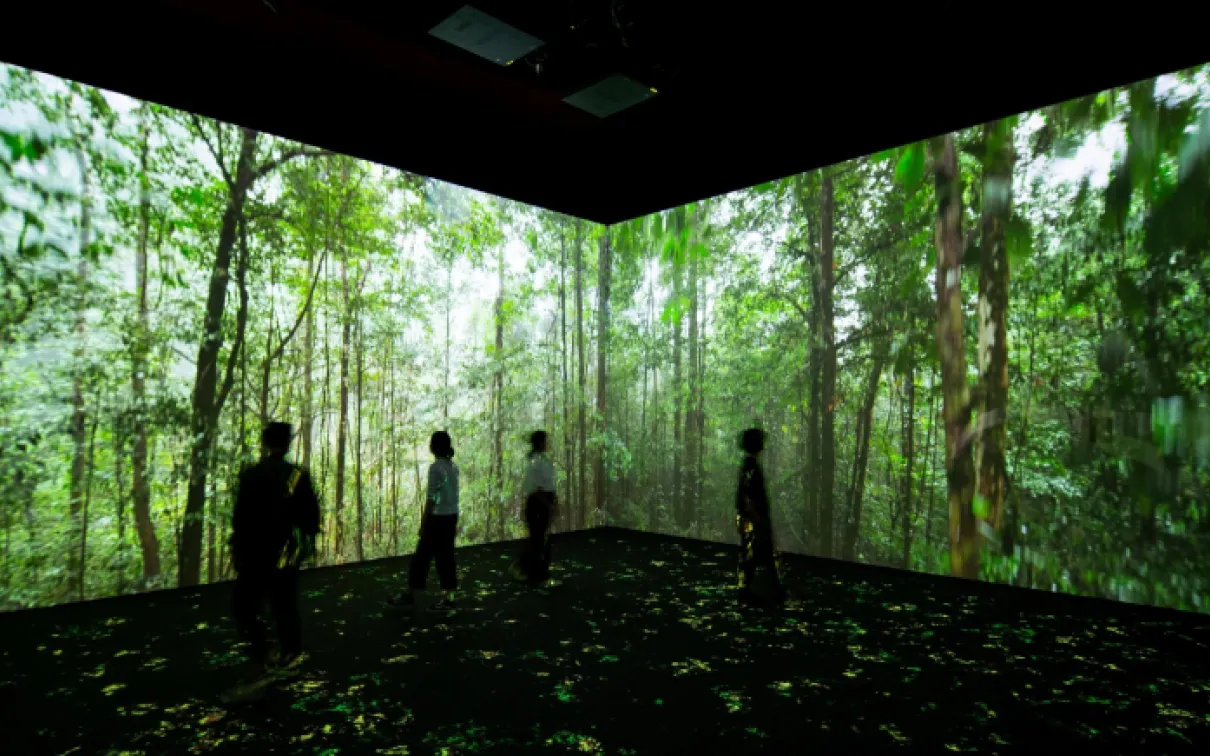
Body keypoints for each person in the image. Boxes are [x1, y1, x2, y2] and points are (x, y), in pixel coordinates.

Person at [229, 422, 320, 681]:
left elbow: (240, 518)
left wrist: (238, 548)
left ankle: (264, 652)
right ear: (288, 443)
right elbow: (311, 517)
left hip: (256, 550)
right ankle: (289, 655)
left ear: (266, 443)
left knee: (245, 605)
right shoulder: (297, 475)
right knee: (285, 604)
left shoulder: (252, 475)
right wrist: (304, 545)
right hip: (286, 551)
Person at [388, 431, 460, 612]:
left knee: (421, 558)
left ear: (433, 447)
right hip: (451, 516)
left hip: (437, 519)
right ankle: (448, 597)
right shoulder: (453, 467)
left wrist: (423, 523)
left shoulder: (435, 468)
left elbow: (432, 498)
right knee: (446, 557)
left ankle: (411, 594)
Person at [735, 427, 785, 606]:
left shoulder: (749, 464)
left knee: (757, 554)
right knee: (752, 554)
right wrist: (756, 518)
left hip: (751, 519)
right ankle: (748, 592)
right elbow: (746, 495)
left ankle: (768, 590)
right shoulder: (750, 466)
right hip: (752, 520)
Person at [512, 430, 557, 585]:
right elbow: (536, 488)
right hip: (538, 504)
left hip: (542, 503)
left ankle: (534, 572)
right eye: (546, 441)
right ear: (540, 443)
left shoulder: (541, 460)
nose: (548, 444)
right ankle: (536, 574)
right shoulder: (535, 462)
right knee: (537, 540)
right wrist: (548, 504)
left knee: (539, 539)